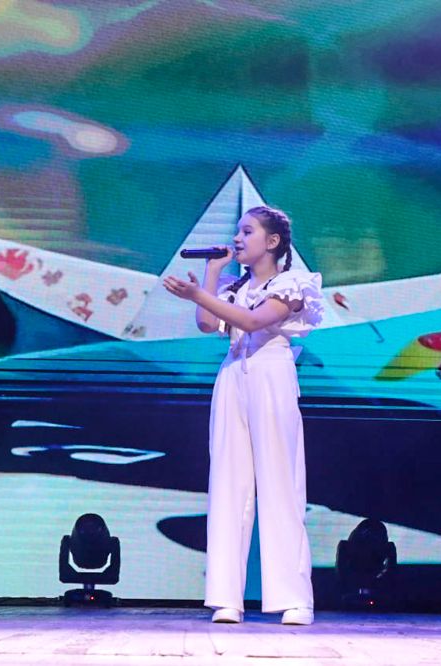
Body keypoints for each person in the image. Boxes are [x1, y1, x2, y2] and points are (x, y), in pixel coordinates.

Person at [162, 205, 323, 625]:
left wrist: (198, 294)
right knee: (228, 485)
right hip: (233, 376)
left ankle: (294, 599)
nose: (237, 239)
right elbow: (207, 323)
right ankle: (226, 598)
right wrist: (212, 275)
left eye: (247, 231)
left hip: (272, 374)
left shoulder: (292, 284)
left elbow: (254, 322)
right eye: (237, 231)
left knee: (280, 484)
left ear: (272, 241)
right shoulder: (235, 287)